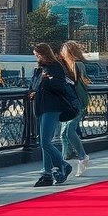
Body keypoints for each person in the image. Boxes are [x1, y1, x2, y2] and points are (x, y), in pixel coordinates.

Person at [30, 43, 74, 186]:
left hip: (52, 107)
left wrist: (48, 80)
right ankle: (47, 173)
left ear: (44, 54)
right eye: (35, 55)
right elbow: (33, 86)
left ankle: (63, 166)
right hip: (41, 107)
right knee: (43, 142)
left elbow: (60, 87)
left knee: (45, 142)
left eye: (38, 55)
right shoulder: (39, 69)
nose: (36, 57)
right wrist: (32, 91)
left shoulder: (55, 67)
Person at [58, 41, 90, 176]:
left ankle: (83, 157)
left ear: (69, 52)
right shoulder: (68, 66)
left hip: (76, 102)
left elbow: (79, 83)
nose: (62, 53)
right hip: (70, 102)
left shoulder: (77, 65)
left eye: (64, 51)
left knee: (69, 130)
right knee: (63, 133)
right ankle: (64, 161)